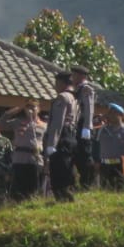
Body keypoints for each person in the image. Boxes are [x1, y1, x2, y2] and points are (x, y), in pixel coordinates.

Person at [0, 100, 47, 200]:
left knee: (33, 185)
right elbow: (1, 125)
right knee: (18, 186)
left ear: (38, 109)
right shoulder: (18, 122)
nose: (30, 110)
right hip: (20, 158)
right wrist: (14, 111)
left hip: (35, 158)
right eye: (28, 107)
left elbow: (48, 141)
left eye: (33, 107)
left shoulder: (43, 125)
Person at [43, 70, 79, 201]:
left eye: (56, 83)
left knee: (58, 173)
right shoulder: (75, 98)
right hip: (71, 136)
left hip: (62, 137)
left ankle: (63, 199)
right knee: (67, 169)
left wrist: (51, 144)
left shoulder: (62, 97)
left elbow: (58, 122)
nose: (55, 86)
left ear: (61, 83)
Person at [70, 65, 98, 189]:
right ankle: (82, 182)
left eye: (75, 75)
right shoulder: (76, 90)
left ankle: (88, 183)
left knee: (85, 155)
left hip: (83, 126)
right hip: (77, 126)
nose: (73, 77)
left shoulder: (86, 89)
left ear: (82, 76)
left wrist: (87, 127)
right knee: (78, 155)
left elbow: (88, 108)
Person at [97, 103, 124, 189]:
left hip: (121, 165)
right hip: (105, 166)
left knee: (121, 189)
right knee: (105, 191)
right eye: (109, 113)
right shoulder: (103, 130)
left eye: (113, 113)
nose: (109, 115)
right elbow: (96, 147)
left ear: (120, 115)